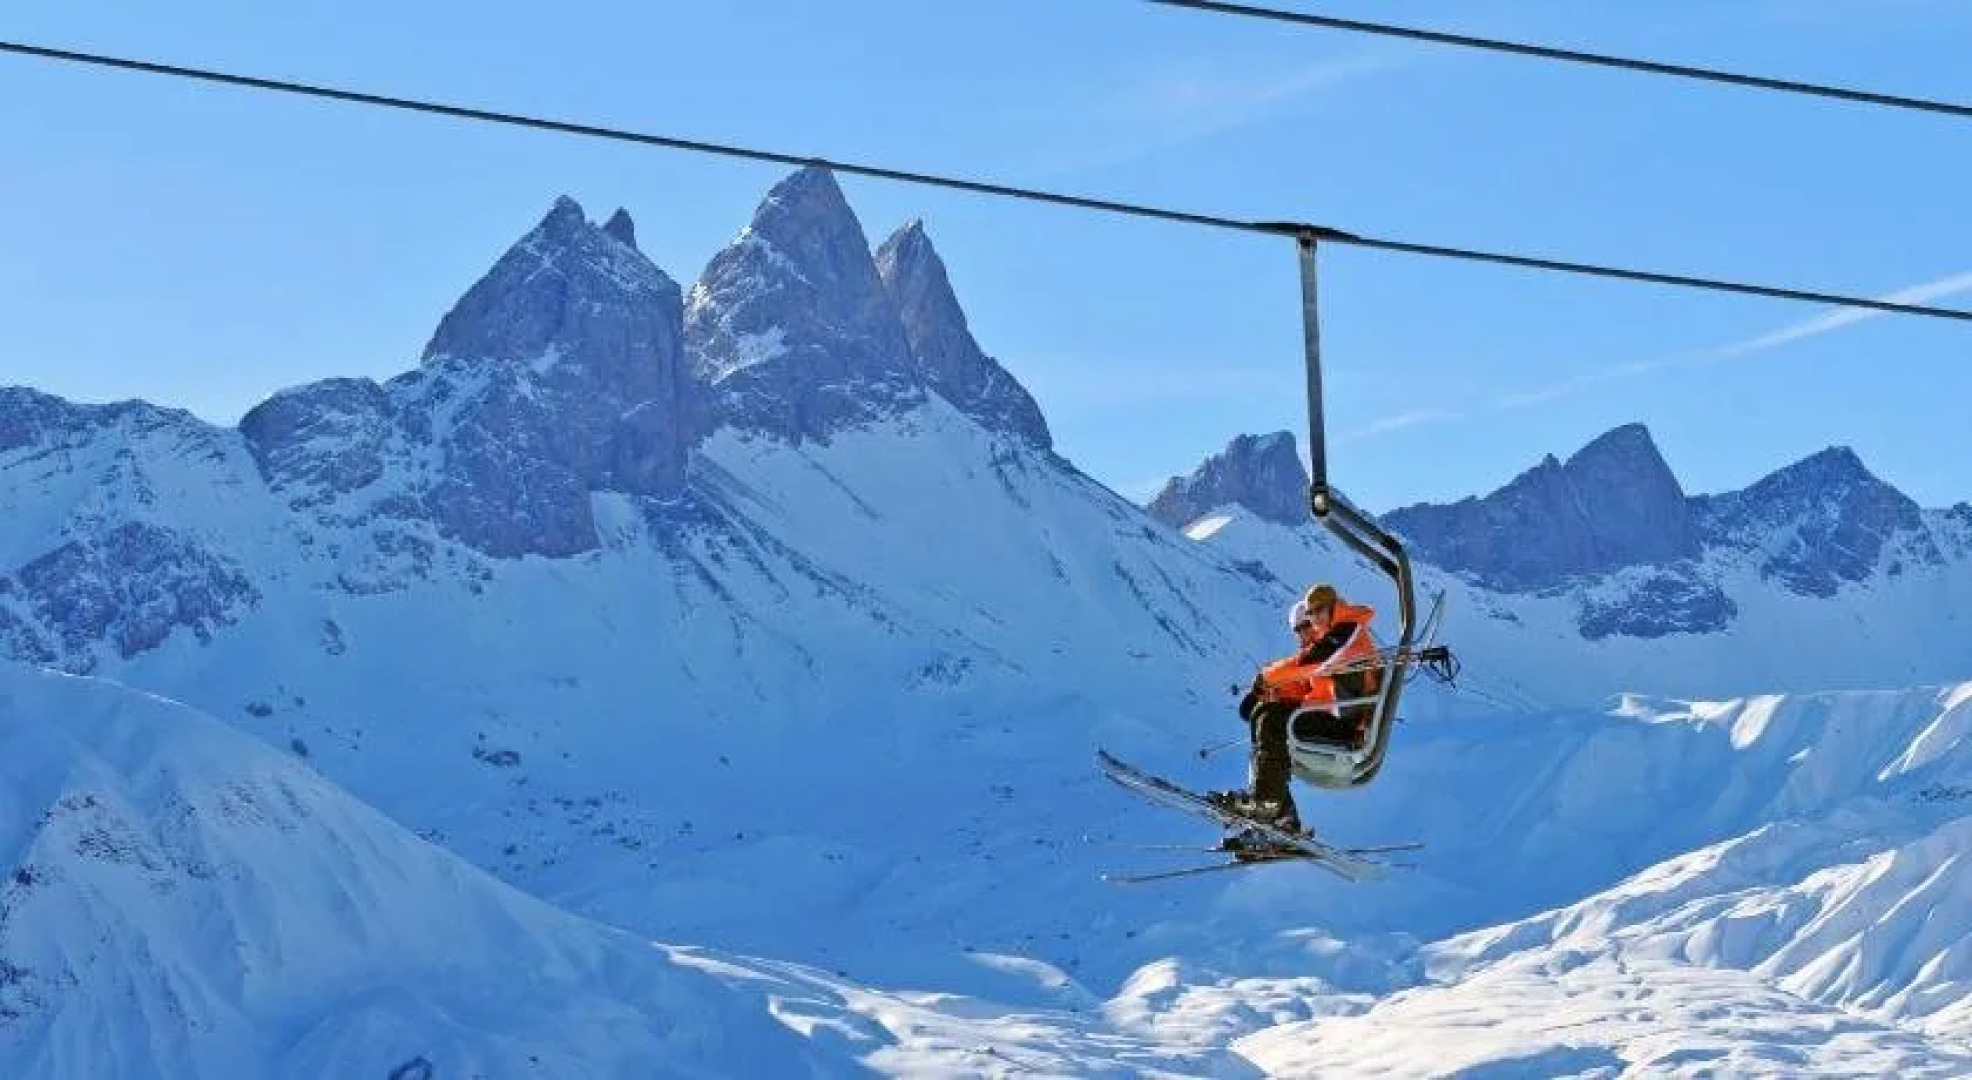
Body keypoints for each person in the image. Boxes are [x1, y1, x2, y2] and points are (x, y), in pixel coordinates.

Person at [1208, 583, 1381, 834]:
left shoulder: (1348, 630)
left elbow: (1313, 662)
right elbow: (1306, 684)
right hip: (1330, 713)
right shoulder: (1337, 632)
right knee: (1265, 713)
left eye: (1319, 611)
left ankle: (1268, 803)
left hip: (1343, 722)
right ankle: (1281, 814)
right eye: (1310, 613)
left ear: (1334, 605)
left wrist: (1268, 678)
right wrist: (1269, 693)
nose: (1315, 618)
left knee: (1273, 719)